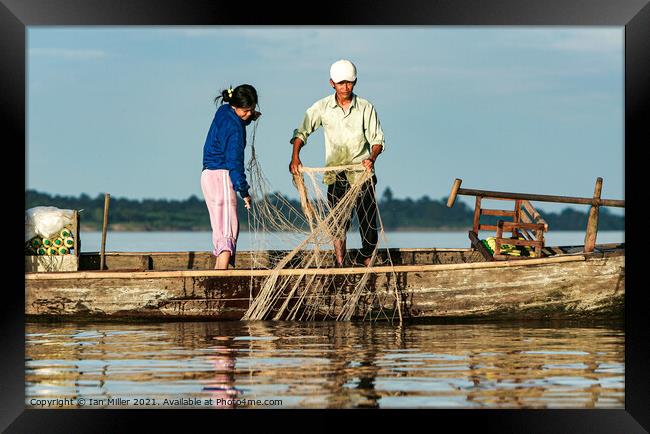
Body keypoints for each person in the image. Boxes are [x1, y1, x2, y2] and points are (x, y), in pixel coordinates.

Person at [289, 60, 385, 267]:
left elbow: (377, 140)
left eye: (349, 83)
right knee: (338, 221)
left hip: (362, 172)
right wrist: (295, 156)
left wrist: (372, 158)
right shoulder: (322, 107)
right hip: (336, 173)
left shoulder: (365, 107)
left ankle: (367, 258)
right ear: (332, 83)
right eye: (341, 83)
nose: (345, 87)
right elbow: (302, 131)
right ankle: (340, 262)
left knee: (367, 219)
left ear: (355, 82)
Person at [201, 84, 261, 269]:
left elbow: (235, 120)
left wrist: (247, 118)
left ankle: (220, 273)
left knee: (220, 232)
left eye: (252, 110)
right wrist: (243, 191)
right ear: (236, 106)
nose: (249, 114)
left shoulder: (224, 110)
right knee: (228, 231)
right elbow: (234, 163)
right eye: (246, 110)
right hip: (222, 177)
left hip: (208, 177)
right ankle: (220, 279)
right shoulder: (235, 130)